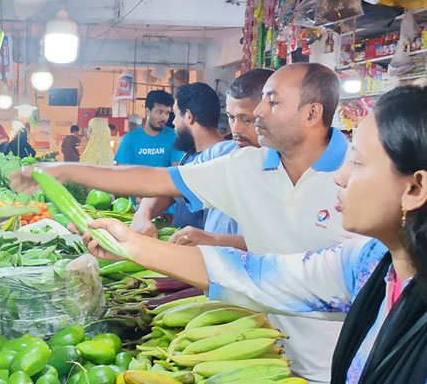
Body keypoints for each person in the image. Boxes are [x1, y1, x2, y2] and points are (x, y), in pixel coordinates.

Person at [10, 63, 354, 383]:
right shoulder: (245, 166)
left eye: (272, 101)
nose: (258, 111)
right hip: (252, 352)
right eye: (261, 100)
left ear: (312, 113)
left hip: (338, 364)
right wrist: (62, 171)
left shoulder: (358, 177)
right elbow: (154, 179)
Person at [78, 86, 427, 384]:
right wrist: (133, 245)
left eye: (359, 163)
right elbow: (255, 276)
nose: (341, 176)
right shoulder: (369, 263)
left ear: (415, 188)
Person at [143, 69, 273, 248]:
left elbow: (274, 245)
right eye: (231, 117)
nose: (236, 129)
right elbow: (167, 184)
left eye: (246, 119)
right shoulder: (195, 157)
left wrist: (211, 240)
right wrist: (143, 214)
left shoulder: (226, 152)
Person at [114, 90, 183, 167]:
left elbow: (177, 171)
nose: (164, 117)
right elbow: (121, 172)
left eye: (167, 113)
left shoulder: (174, 137)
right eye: (159, 112)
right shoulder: (129, 139)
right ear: (147, 111)